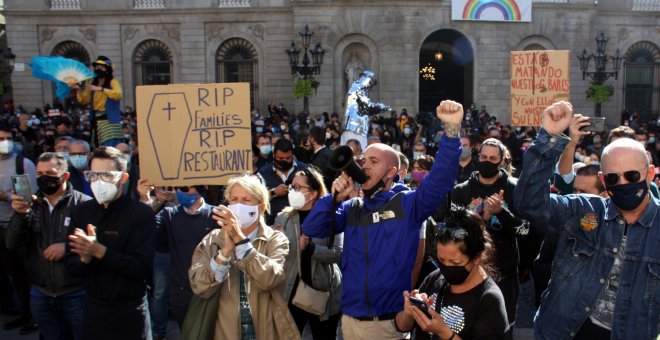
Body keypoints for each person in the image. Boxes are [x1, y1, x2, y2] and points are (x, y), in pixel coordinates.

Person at [302, 100, 463, 339]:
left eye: (374, 162)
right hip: (349, 321)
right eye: (363, 161)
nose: (364, 166)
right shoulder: (352, 207)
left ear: (392, 173)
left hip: (388, 324)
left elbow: (441, 179)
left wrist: (451, 132)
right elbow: (312, 227)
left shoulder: (408, 204)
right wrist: (333, 198)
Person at [514, 101, 660, 339]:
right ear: (603, 179)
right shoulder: (582, 210)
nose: (622, 183)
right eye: (613, 178)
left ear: (650, 174)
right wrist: (549, 137)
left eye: (632, 175)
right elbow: (528, 203)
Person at [188, 175, 300, 340]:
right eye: (234, 199)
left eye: (246, 200)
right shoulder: (213, 240)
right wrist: (224, 253)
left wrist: (241, 241)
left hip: (265, 328)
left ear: (261, 208)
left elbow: (270, 278)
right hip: (224, 330)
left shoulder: (275, 239)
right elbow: (200, 285)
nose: (238, 205)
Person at [65, 146, 156, 340]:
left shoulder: (141, 214)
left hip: (131, 312)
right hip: (94, 309)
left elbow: (142, 269)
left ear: (122, 178)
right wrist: (84, 258)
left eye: (106, 175)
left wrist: (100, 252)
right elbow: (71, 268)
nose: (98, 182)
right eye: (93, 175)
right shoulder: (81, 212)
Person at [7, 152, 91, 340]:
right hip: (40, 292)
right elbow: (12, 243)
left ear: (65, 176)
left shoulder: (84, 204)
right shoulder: (32, 205)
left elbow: (95, 244)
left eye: (50, 173)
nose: (44, 178)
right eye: (39, 174)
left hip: (75, 293)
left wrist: (67, 248)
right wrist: (20, 214)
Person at [394, 206, 509, 339]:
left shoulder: (488, 299)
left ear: (477, 257)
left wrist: (444, 332)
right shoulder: (434, 279)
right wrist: (408, 312)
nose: (446, 267)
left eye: (455, 262)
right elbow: (403, 326)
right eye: (441, 260)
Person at [451, 138, 529, 332]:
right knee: (468, 328)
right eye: (483, 156)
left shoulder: (515, 188)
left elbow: (525, 231)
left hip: (504, 273)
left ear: (502, 161)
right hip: (470, 272)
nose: (487, 161)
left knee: (502, 328)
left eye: (493, 158)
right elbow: (454, 232)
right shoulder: (462, 190)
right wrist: (477, 220)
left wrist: (500, 213)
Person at [278, 167, 342, 339]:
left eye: (298, 187)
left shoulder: (332, 217)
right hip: (291, 293)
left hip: (323, 294)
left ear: (313, 193)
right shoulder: (283, 218)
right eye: (291, 187)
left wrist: (310, 249)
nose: (292, 191)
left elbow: (337, 253)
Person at [156, 185, 217, 329]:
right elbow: (145, 228)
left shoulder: (216, 214)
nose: (178, 192)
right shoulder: (168, 214)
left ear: (200, 189)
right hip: (181, 291)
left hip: (210, 289)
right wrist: (152, 201)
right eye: (177, 188)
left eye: (184, 188)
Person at [0, 124, 38, 332]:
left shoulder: (22, 164)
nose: (4, 142)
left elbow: (28, 199)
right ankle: (21, 311)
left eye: (7, 138)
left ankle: (34, 316)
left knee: (25, 274)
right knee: (12, 276)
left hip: (17, 228)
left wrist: (6, 196)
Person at [70, 56, 124, 147]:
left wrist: (100, 89)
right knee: (97, 149)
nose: (98, 69)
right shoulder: (92, 83)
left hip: (109, 122)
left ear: (107, 70)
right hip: (96, 123)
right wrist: (78, 90)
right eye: (97, 67)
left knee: (111, 150)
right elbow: (84, 100)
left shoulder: (113, 82)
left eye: (102, 67)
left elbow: (118, 95)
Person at [256, 138, 309, 225]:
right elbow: (257, 200)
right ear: (273, 155)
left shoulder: (305, 170)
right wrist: (273, 192)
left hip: (301, 221)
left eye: (288, 158)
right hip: (274, 223)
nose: (284, 161)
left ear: (292, 155)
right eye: (280, 158)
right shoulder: (262, 173)